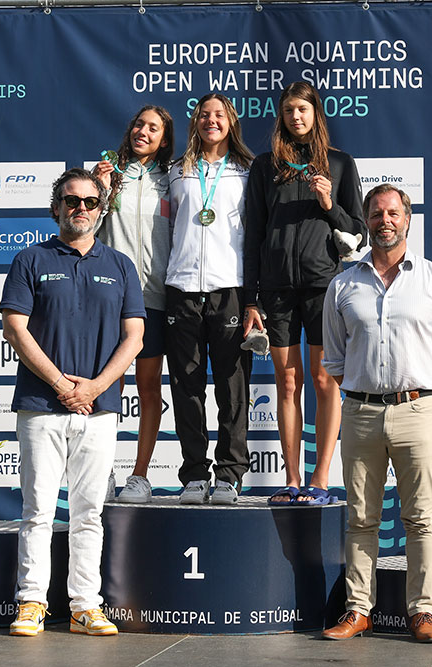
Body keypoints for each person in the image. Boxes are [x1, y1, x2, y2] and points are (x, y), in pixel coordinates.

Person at [320, 183, 432, 643]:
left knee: (421, 518)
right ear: (366, 221)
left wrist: (426, 404)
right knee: (361, 519)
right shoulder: (343, 284)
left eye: (392, 213)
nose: (384, 220)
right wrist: (365, 397)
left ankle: (422, 613)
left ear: (407, 219)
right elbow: (335, 361)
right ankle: (357, 611)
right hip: (360, 413)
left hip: (417, 411)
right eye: (376, 213)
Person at [0, 168, 145, 637]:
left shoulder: (121, 265)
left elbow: (135, 337)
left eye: (90, 201)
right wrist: (63, 384)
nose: (80, 208)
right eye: (71, 200)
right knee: (37, 512)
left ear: (101, 210)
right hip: (41, 406)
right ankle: (31, 603)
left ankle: (85, 606)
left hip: (98, 410)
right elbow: (15, 329)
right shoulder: (30, 259)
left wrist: (94, 388)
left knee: (89, 514)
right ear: (56, 207)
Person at [243, 82, 366, 506]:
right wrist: (251, 298)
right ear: (281, 115)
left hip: (322, 287)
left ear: (316, 113)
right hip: (276, 289)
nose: (296, 117)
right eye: (289, 110)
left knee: (323, 379)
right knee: (287, 381)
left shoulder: (340, 163)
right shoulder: (265, 167)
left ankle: (321, 478)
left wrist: (329, 204)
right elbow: (253, 236)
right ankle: (292, 478)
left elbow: (359, 232)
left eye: (303, 109)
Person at [165, 93, 255, 505]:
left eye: (219, 115)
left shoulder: (248, 171)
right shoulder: (176, 171)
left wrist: (254, 298)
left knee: (232, 389)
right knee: (186, 388)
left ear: (231, 122)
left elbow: (255, 237)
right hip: (181, 288)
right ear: (195, 122)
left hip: (229, 289)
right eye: (204, 115)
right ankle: (195, 475)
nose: (211, 120)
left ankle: (230, 475)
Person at [95, 105, 175, 504]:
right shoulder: (109, 174)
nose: (144, 131)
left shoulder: (173, 179)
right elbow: (87, 230)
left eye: (153, 128)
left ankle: (140, 475)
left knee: (148, 385)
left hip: (156, 297)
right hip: (112, 296)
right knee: (109, 385)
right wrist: (100, 189)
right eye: (140, 124)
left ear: (164, 138)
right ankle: (102, 470)